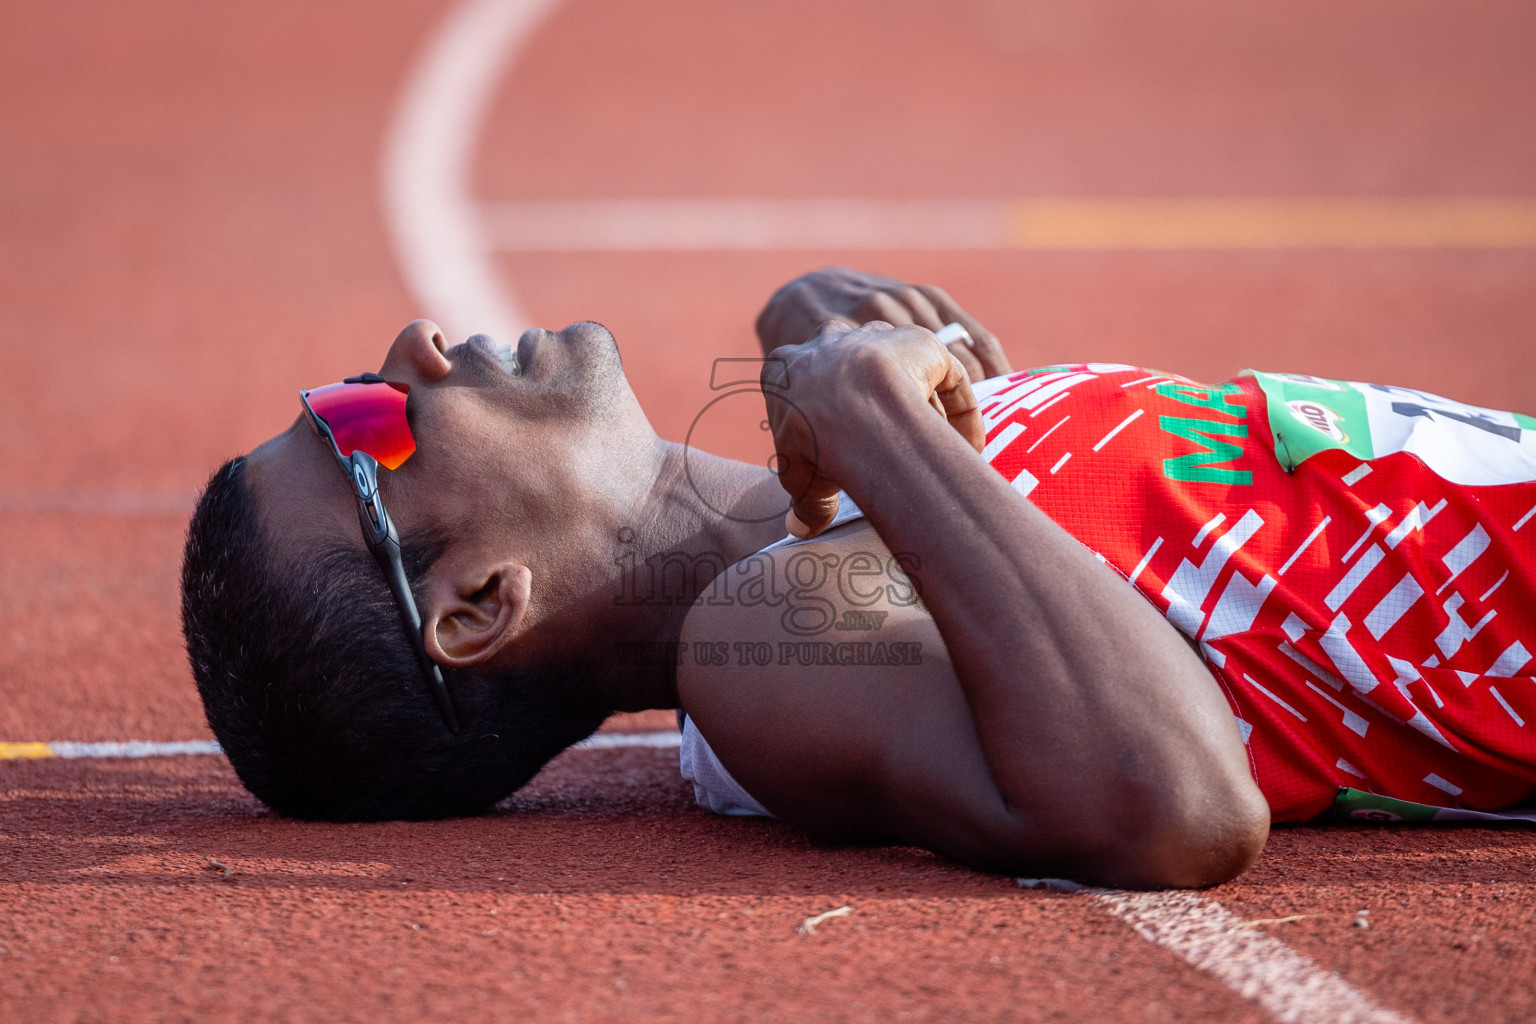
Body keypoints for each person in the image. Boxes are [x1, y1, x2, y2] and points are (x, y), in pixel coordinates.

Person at [181, 268, 1536, 889]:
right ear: (481, 603)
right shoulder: (761, 639)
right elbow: (1173, 808)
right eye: (365, 424)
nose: (411, 346)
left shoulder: (821, 525)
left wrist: (819, 327)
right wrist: (876, 409)